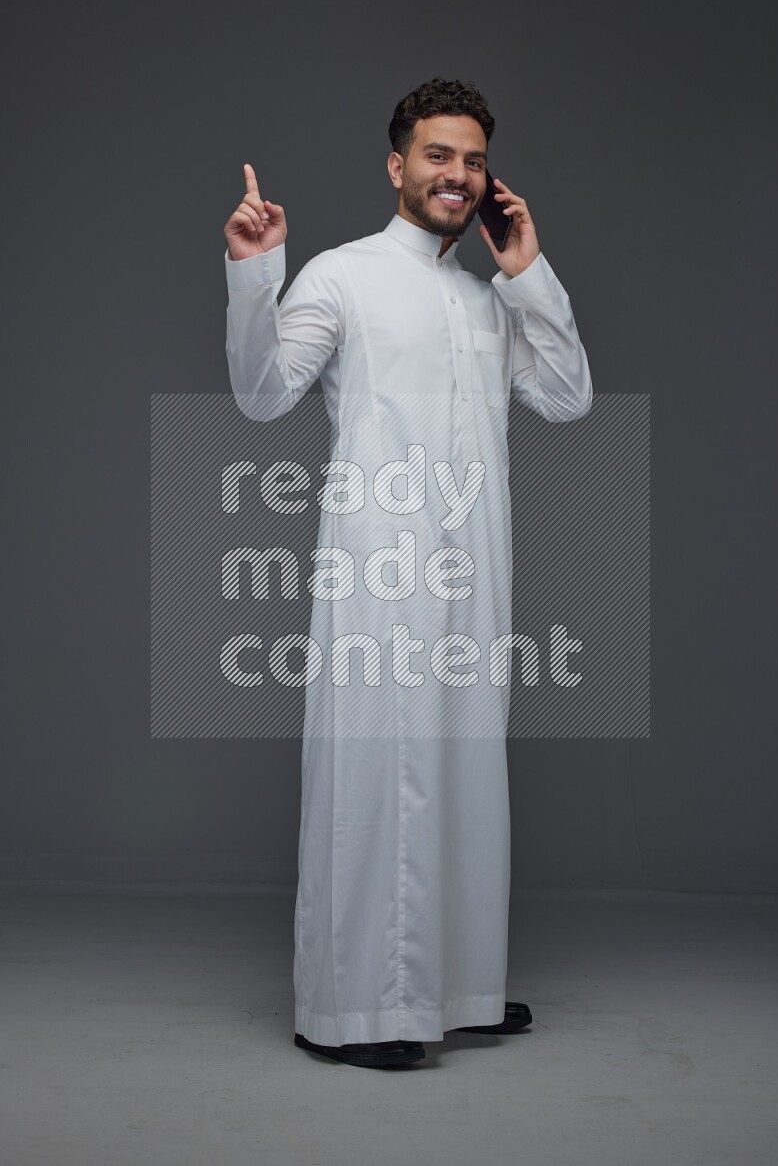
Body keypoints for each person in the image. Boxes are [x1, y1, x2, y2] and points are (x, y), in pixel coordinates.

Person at [223, 77, 592, 1069]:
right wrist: (255, 275)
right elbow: (262, 396)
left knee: (465, 773)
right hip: (378, 570)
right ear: (397, 165)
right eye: (437, 155)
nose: (456, 175)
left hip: (477, 570)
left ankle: (455, 985)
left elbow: (565, 394)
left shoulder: (488, 292)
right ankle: (352, 1010)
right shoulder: (341, 277)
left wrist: (527, 270)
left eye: (471, 160)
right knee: (379, 778)